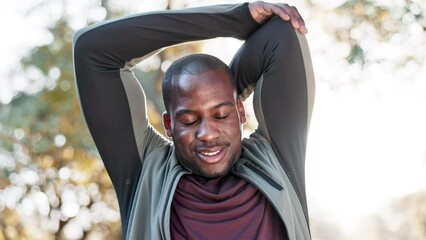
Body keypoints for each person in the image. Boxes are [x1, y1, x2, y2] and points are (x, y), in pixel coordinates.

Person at [72, 1, 315, 239]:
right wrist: (234, 19)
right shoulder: (145, 172)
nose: (207, 134)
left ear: (241, 112)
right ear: (169, 125)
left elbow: (282, 33)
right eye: (188, 120)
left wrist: (224, 86)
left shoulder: (275, 158)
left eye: (221, 115)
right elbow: (91, 48)